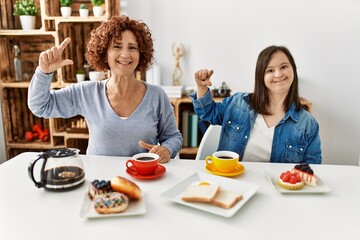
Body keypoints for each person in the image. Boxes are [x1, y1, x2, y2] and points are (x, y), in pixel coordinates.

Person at [28, 16, 182, 163]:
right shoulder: (87, 92)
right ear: (104, 53)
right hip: (100, 183)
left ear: (141, 54)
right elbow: (40, 106)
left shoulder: (156, 95)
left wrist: (167, 149)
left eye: (132, 47)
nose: (125, 54)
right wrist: (44, 73)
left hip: (144, 179)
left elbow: (173, 137)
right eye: (117, 46)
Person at [190, 45, 322, 164]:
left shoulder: (308, 124)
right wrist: (201, 88)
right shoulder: (238, 103)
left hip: (277, 189)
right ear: (261, 76)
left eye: (283, 67)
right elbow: (208, 113)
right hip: (232, 181)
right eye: (270, 70)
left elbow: (311, 168)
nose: (278, 74)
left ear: (293, 70)